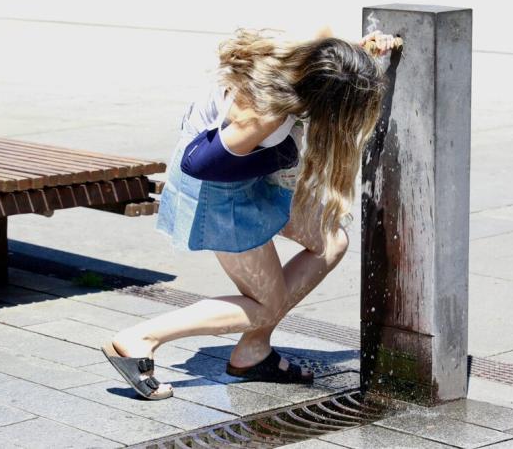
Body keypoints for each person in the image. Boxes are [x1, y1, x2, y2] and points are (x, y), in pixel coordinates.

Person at [101, 26, 396, 400]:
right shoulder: (263, 116)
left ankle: (252, 351)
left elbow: (326, 46)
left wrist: (364, 49)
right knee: (263, 307)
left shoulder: (301, 58)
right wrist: (277, 153)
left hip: (253, 176)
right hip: (221, 195)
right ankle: (139, 339)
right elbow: (198, 164)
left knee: (330, 242)